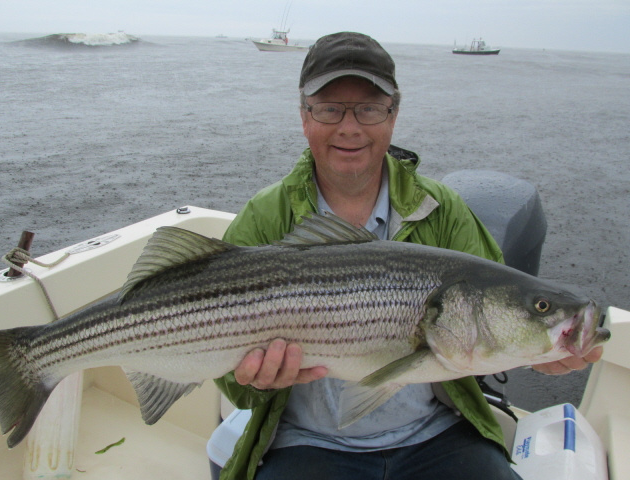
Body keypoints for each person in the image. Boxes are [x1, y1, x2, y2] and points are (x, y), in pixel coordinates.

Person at [214, 32, 603, 480]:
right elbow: (231, 385)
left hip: (437, 433)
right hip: (306, 441)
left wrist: (539, 351)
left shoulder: (445, 209)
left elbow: (491, 320)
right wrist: (252, 380)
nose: (349, 127)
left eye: (369, 108)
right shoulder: (264, 216)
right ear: (305, 117)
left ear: (393, 116)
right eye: (329, 108)